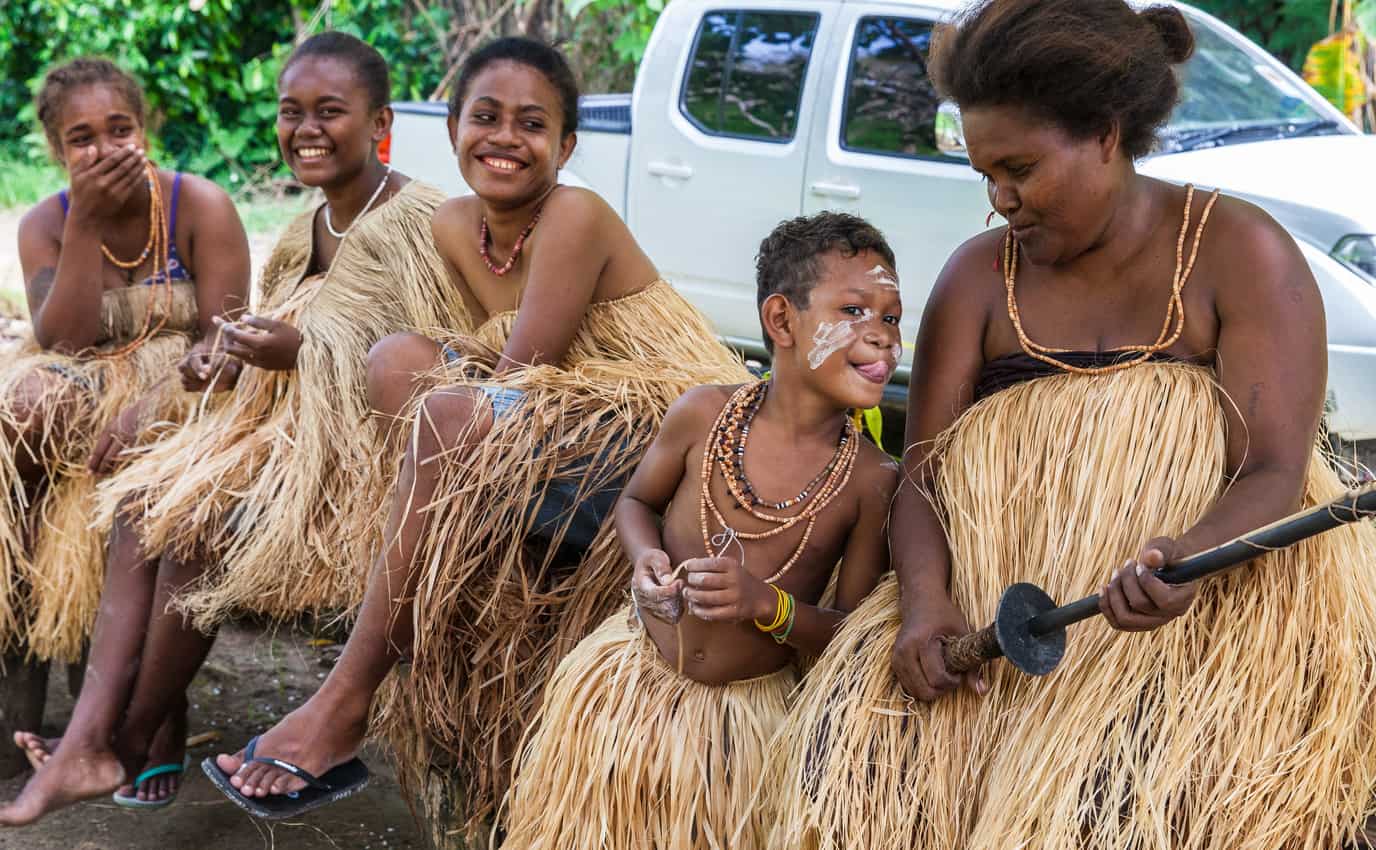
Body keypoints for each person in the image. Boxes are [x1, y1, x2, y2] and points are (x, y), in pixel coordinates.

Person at [767, 2, 1376, 849]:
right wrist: (926, 605)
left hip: (1191, 626)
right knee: (851, 766)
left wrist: (1188, 557)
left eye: (1019, 167)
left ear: (1105, 132)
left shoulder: (1240, 252)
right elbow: (925, 478)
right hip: (991, 619)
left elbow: (1271, 469)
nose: (1000, 200)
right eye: (986, 174)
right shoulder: (979, 278)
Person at [206, 37, 753, 834]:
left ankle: (346, 699)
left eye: (531, 124)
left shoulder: (576, 213)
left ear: (566, 147)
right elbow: (480, 366)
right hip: (554, 430)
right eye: (484, 117)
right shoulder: (456, 226)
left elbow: (523, 374)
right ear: (452, 126)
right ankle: (447, 592)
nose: (504, 137)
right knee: (397, 360)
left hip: (660, 441)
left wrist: (460, 372)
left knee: (447, 406)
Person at [0, 31, 471, 825]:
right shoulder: (302, 232)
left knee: (192, 510)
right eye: (292, 112)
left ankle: (122, 732)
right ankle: (100, 738)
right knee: (147, 500)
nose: (307, 128)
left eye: (331, 111)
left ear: (381, 121)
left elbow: (433, 357)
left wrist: (291, 352)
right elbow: (230, 341)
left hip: (371, 459)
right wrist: (191, 381)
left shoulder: (421, 218)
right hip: (283, 434)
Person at [499, 211, 901, 849]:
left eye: (892, 317)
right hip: (629, 697)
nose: (881, 336)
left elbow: (847, 638)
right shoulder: (703, 415)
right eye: (855, 310)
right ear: (781, 321)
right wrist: (645, 558)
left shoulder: (872, 480)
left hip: (744, 735)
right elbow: (636, 502)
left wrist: (764, 605)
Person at [0, 57, 248, 697]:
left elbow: (225, 338)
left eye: (119, 129)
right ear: (57, 151)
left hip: (181, 395)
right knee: (24, 418)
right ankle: (22, 667)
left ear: (145, 130)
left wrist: (160, 402)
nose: (105, 148)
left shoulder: (199, 206)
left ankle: (126, 699)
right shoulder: (45, 225)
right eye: (81, 139)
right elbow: (65, 339)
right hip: (77, 386)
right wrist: (83, 222)